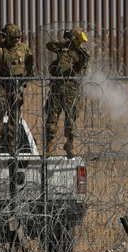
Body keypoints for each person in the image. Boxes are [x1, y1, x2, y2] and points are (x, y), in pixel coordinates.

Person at [0, 23, 34, 159]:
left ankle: (12, 146)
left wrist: (28, 77)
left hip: (15, 86)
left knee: (14, 117)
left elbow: (30, 61)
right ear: (7, 37)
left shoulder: (23, 48)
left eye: (19, 37)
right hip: (1, 86)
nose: (17, 40)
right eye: (14, 37)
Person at [44, 28, 90, 158]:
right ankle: (50, 144)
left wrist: (78, 50)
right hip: (56, 89)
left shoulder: (80, 52)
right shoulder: (62, 50)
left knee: (70, 119)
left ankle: (70, 144)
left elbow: (84, 63)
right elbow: (49, 45)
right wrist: (63, 44)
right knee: (52, 117)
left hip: (71, 90)